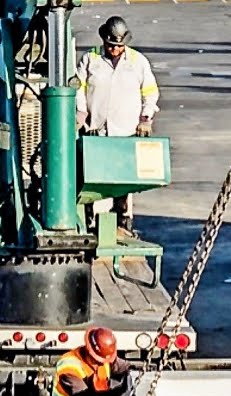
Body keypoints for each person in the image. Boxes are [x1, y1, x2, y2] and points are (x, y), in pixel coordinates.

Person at [74, 16, 160, 237]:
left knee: (123, 178)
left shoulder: (138, 62)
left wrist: (145, 118)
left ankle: (123, 219)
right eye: (111, 45)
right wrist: (81, 113)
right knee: (92, 176)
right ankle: (89, 218)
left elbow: (150, 92)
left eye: (119, 46)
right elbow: (79, 88)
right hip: (97, 129)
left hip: (125, 130)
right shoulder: (90, 59)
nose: (114, 50)